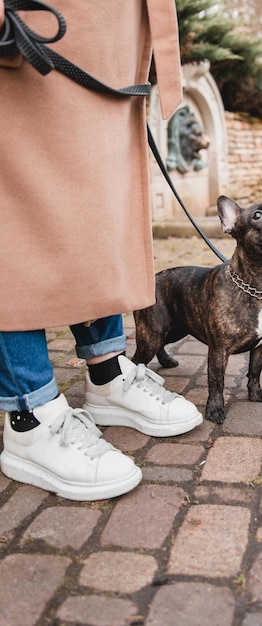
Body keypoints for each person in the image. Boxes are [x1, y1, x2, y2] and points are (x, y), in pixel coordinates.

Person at [0, 0, 203, 501]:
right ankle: (31, 414)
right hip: (35, 31)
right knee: (20, 212)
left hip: (107, 46)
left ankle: (107, 373)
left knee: (95, 216)